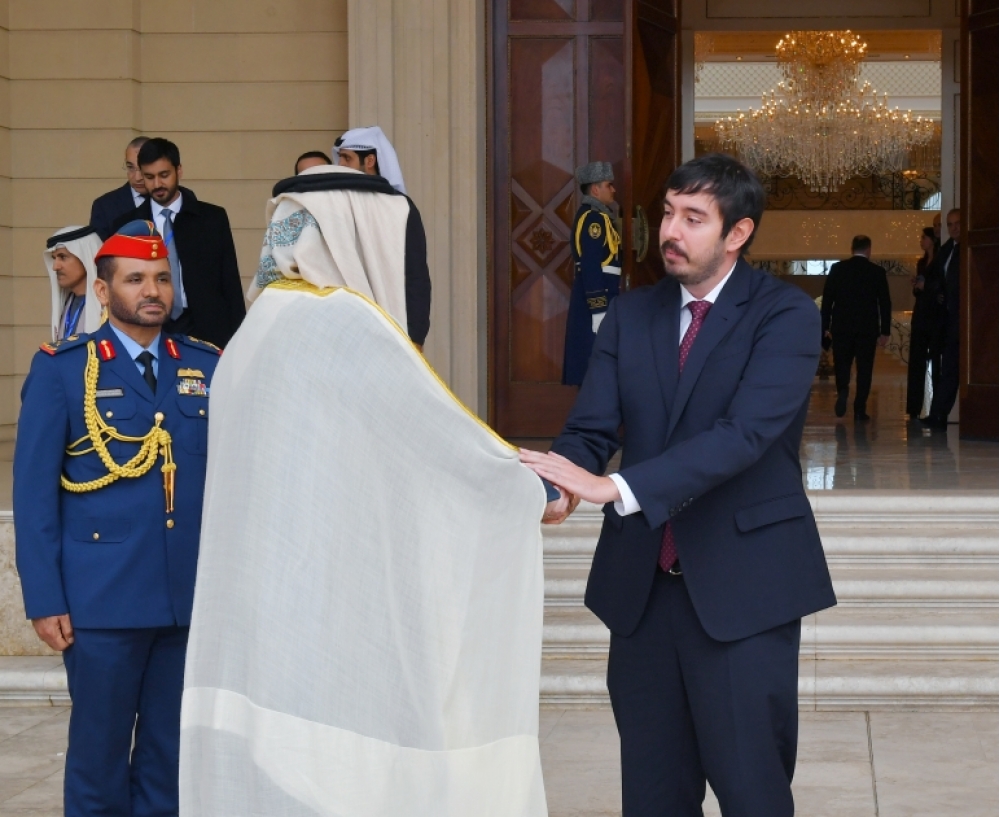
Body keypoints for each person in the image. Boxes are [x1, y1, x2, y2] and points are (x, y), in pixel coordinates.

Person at [520, 154, 836, 817]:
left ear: (738, 233)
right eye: (668, 213)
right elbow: (590, 428)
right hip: (642, 592)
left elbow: (743, 435)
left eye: (693, 218)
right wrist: (555, 485)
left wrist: (615, 487)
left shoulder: (784, 314)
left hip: (744, 588)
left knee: (752, 792)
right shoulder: (631, 315)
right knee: (654, 795)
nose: (670, 230)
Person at [180, 247, 546, 814]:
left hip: (276, 583)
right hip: (337, 579)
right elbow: (429, 432)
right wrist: (521, 485)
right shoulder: (341, 321)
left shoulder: (257, 327)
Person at [14, 220, 221, 817]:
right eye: (135, 279)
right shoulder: (64, 368)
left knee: (170, 756)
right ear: (103, 291)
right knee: (98, 758)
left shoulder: (205, 365)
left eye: (161, 278)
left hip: (186, 598)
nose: (152, 291)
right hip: (101, 600)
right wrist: (44, 598)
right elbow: (33, 495)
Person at [111, 137, 245, 348]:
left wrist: (240, 339)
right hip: (149, 326)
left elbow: (230, 283)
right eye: (149, 177)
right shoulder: (127, 225)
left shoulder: (212, 218)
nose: (157, 184)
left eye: (164, 175)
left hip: (208, 329)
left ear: (179, 170)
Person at [562, 161, 622, 386]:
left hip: (603, 294)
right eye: (609, 185)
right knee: (590, 362)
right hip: (595, 298)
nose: (613, 189)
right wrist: (598, 308)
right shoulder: (593, 220)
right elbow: (590, 264)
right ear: (596, 190)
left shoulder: (600, 216)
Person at [820, 235, 892, 421]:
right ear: (869, 249)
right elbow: (884, 303)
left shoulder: (838, 269)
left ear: (852, 249)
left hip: (841, 328)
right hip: (867, 330)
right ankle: (860, 409)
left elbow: (827, 300)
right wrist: (885, 331)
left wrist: (824, 326)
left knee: (842, 365)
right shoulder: (877, 272)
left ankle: (843, 390)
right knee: (864, 369)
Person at [923, 208, 961, 430]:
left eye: (957, 223)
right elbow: (937, 277)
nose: (954, 228)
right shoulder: (947, 250)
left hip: (964, 319)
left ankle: (939, 414)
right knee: (947, 368)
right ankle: (938, 414)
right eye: (950, 224)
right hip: (947, 319)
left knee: (952, 368)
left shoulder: (968, 249)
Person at [906, 227, 943, 420]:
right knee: (916, 361)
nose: (921, 241)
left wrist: (925, 285)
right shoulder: (921, 263)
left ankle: (937, 409)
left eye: (924, 238)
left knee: (936, 362)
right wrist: (917, 286)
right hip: (921, 314)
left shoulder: (940, 261)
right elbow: (919, 291)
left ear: (932, 240)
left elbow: (941, 287)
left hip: (935, 316)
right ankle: (913, 408)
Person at [44, 226, 104, 341]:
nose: (55, 267)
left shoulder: (110, 306)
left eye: (63, 257)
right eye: (54, 258)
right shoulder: (68, 303)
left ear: (86, 257)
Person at [89, 136, 150, 240]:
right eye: (130, 167)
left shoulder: (173, 199)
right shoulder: (104, 206)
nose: (137, 177)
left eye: (142, 168)